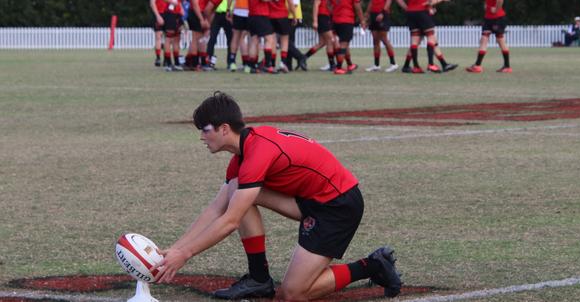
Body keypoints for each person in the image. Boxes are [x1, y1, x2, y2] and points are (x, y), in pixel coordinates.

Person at [152, 91, 402, 301]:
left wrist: (185, 255)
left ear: (224, 128)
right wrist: (175, 249)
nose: (201, 136)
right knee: (234, 192)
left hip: (338, 205)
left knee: (293, 293)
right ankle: (259, 278)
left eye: (205, 130)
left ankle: (372, 265)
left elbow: (229, 221)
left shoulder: (257, 153)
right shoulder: (244, 154)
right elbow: (216, 209)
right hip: (311, 200)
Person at [466, 0, 512, 73]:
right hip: (489, 18)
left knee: (500, 41)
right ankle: (477, 65)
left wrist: (496, 9)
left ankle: (507, 66)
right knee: (483, 40)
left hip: (498, 18)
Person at [394, 0, 436, 74]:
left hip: (410, 12)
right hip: (422, 11)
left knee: (414, 39)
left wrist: (405, 7)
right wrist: (430, 2)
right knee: (431, 36)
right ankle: (431, 64)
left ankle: (416, 66)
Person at [226, 0, 261, 73]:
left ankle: (232, 62)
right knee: (252, 38)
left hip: (238, 11)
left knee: (236, 36)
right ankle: (249, 65)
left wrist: (228, 9)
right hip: (252, 12)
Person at [365, 0, 399, 73]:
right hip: (374, 14)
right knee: (375, 40)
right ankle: (376, 64)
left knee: (384, 39)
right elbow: (371, 0)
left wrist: (383, 13)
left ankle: (393, 63)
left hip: (382, 14)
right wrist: (367, 13)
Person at [329, 0, 365, 74]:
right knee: (343, 44)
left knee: (344, 43)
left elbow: (328, 5)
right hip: (347, 21)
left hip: (336, 21)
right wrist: (362, 20)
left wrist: (335, 12)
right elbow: (358, 8)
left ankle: (350, 64)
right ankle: (339, 67)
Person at [424, 0, 458, 73]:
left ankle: (444, 64)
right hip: (423, 17)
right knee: (424, 41)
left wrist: (431, 8)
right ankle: (431, 64)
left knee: (432, 42)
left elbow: (427, 3)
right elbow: (427, 2)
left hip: (424, 15)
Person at [304, 0, 338, 71]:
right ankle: (332, 64)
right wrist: (315, 21)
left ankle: (303, 57)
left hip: (327, 17)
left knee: (323, 42)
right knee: (331, 40)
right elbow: (316, 5)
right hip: (322, 17)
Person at [248, 0, 280, 73]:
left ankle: (252, 66)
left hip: (253, 16)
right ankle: (267, 65)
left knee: (254, 40)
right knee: (269, 39)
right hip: (260, 16)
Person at [266, 0, 296, 73]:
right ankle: (283, 62)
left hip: (269, 17)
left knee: (272, 40)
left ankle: (272, 63)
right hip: (283, 16)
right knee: (284, 39)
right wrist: (294, 15)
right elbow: (290, 2)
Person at [158, 0, 185, 71]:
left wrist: (181, 8)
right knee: (169, 38)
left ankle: (177, 63)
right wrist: (171, 2)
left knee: (177, 38)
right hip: (169, 13)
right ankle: (168, 63)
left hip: (177, 13)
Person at [207, 0, 234, 71]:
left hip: (227, 14)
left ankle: (230, 62)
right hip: (217, 14)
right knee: (212, 38)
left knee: (230, 39)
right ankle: (209, 60)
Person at [186, 0, 210, 70]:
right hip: (195, 14)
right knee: (196, 39)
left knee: (198, 38)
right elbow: (195, 5)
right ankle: (195, 64)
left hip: (196, 14)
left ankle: (194, 62)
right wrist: (201, 19)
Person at [285, 0, 308, 71]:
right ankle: (288, 64)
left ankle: (300, 57)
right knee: (289, 41)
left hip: (291, 17)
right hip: (290, 16)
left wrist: (294, 16)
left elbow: (294, 4)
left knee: (285, 41)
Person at [149, 0, 171, 67]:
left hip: (169, 14)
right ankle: (158, 58)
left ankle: (167, 58)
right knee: (158, 36)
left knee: (168, 37)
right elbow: (152, 2)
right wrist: (157, 15)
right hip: (159, 13)